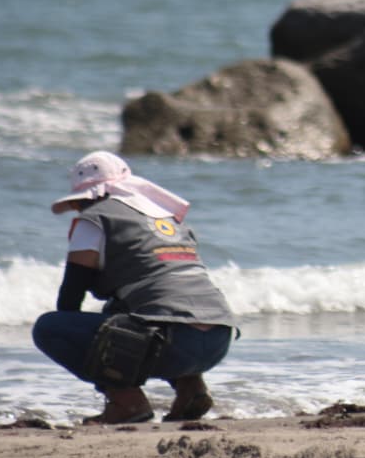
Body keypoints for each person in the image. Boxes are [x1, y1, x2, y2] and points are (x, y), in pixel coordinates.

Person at [32, 151, 235, 424]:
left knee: (50, 327)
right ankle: (192, 390)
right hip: (219, 338)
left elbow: (70, 298)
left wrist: (99, 370)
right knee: (143, 308)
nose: (80, 210)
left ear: (88, 197)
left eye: (80, 203)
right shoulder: (169, 219)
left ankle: (126, 401)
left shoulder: (93, 219)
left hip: (173, 345)